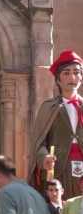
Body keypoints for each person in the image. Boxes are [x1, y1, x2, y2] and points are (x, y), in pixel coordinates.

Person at [28, 50, 83, 199]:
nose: (72, 77)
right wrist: (44, 157)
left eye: (76, 72)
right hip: (58, 171)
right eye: (66, 73)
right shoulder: (48, 107)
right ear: (58, 80)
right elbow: (38, 143)